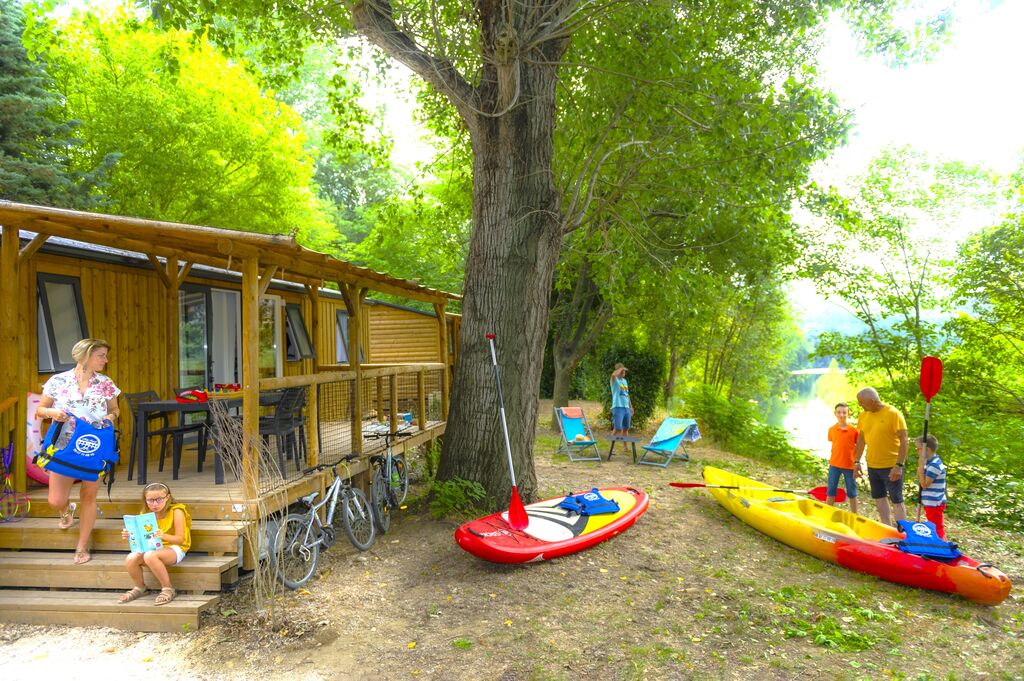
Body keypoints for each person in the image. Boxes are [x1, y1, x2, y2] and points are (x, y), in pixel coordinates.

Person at [35, 338, 120, 565]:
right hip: (63, 445)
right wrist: (53, 413)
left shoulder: (105, 383)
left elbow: (115, 409)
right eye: (101, 355)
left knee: (89, 496)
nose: (106, 360)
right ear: (85, 355)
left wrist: (109, 417)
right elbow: (40, 409)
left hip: (94, 445)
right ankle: (66, 510)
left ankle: (81, 546)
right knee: (55, 500)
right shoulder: (58, 380)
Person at [119, 482, 192, 605]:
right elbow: (144, 539)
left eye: (159, 499)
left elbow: (181, 539)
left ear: (167, 497)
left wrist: (163, 535)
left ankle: (168, 588)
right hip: (153, 547)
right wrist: (131, 535)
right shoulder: (146, 514)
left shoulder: (176, 511)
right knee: (131, 558)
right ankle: (139, 588)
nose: (154, 504)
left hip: (175, 548)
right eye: (150, 500)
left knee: (150, 555)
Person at [853, 387, 909, 526]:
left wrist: (899, 465)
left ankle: (903, 533)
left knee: (897, 500)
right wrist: (856, 461)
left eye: (861, 402)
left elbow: (904, 440)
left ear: (872, 401)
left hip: (891, 465)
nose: (860, 405)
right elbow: (861, 440)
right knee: (879, 498)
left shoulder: (893, 414)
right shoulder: (864, 416)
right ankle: (886, 528)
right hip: (872, 465)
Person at [826, 402, 859, 514]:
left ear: (848, 413)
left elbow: (858, 447)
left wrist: (857, 464)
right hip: (834, 465)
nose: (841, 415)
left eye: (844, 412)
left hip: (849, 466)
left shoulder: (854, 431)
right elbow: (832, 441)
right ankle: (827, 512)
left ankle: (855, 514)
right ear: (835, 413)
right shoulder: (831, 429)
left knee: (852, 492)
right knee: (831, 490)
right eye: (839, 412)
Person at [916, 434, 948, 539]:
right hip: (930, 501)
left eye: (918, 449)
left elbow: (925, 484)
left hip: (934, 502)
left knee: (936, 527)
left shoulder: (934, 465)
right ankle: (934, 543)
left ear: (927, 449)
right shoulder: (929, 463)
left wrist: (920, 469)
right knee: (932, 524)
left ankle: (941, 546)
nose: (917, 451)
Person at [609, 363, 633, 437]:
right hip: (618, 407)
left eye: (624, 371)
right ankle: (611, 448)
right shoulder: (614, 380)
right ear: (617, 372)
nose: (623, 373)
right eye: (622, 371)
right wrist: (619, 369)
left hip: (626, 408)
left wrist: (631, 407)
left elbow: (627, 394)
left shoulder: (625, 381)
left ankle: (625, 447)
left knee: (626, 428)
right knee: (618, 428)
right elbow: (613, 375)